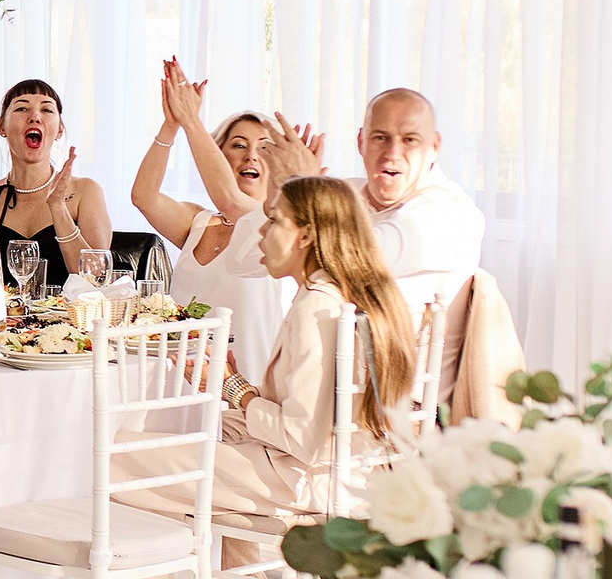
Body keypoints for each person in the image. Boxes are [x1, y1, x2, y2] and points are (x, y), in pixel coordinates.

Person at [120, 176, 416, 532]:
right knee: (202, 428)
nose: (260, 233)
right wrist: (232, 384)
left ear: (305, 235)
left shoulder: (317, 308)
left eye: (273, 221)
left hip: (304, 482)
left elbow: (300, 437)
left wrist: (235, 389)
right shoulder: (343, 296)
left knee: (113, 459)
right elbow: (317, 414)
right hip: (345, 474)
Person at [222, 88, 486, 321]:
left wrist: (300, 187)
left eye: (409, 140)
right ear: (361, 142)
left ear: (435, 146)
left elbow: (363, 257)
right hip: (320, 366)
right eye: (380, 137)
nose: (392, 154)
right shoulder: (344, 193)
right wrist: (278, 193)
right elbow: (240, 262)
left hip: (398, 376)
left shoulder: (453, 212)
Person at [133, 62, 292, 377]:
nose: (251, 156)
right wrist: (171, 125)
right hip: (178, 381)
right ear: (217, 155)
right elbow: (143, 197)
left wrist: (192, 121)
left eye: (264, 148)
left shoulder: (276, 223)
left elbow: (230, 199)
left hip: (245, 389)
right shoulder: (198, 221)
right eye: (238, 145)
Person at [0, 78, 115, 294]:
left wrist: (58, 207)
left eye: (47, 110)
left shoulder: (86, 191)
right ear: (0, 126)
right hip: (2, 325)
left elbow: (96, 278)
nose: (35, 117)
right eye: (22, 108)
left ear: (59, 129)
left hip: (69, 325)